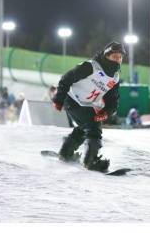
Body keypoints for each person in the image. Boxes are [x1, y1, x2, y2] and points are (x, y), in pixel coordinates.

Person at [52, 42, 123, 172]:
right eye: (114, 57)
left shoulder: (114, 78)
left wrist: (106, 112)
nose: (117, 60)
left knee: (84, 127)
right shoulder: (91, 67)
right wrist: (59, 99)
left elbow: (112, 100)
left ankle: (66, 153)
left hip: (87, 105)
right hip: (72, 99)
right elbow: (67, 78)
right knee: (93, 127)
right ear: (106, 55)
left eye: (120, 57)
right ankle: (91, 161)